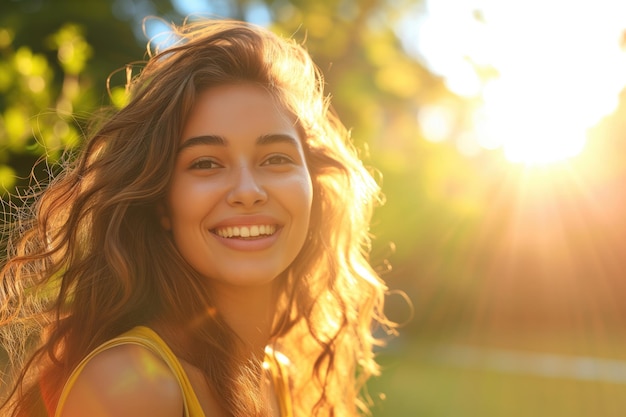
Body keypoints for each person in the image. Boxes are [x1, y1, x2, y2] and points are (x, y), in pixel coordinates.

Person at [0, 18, 393, 417]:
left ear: (313, 185)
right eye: (206, 163)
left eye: (276, 158)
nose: (247, 191)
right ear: (161, 202)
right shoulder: (132, 387)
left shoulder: (277, 377)